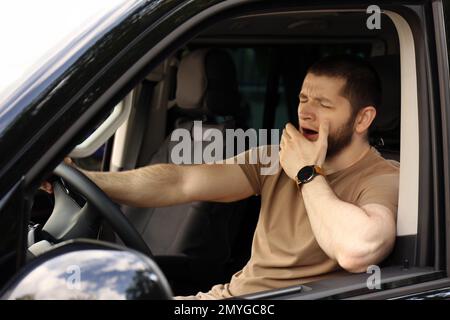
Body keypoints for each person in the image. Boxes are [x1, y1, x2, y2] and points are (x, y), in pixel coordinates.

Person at [43, 55, 399, 299]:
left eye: (323, 104)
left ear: (363, 119)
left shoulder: (385, 177)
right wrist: (88, 181)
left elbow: (358, 250)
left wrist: (307, 173)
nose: (305, 111)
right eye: (304, 98)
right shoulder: (276, 158)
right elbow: (180, 182)